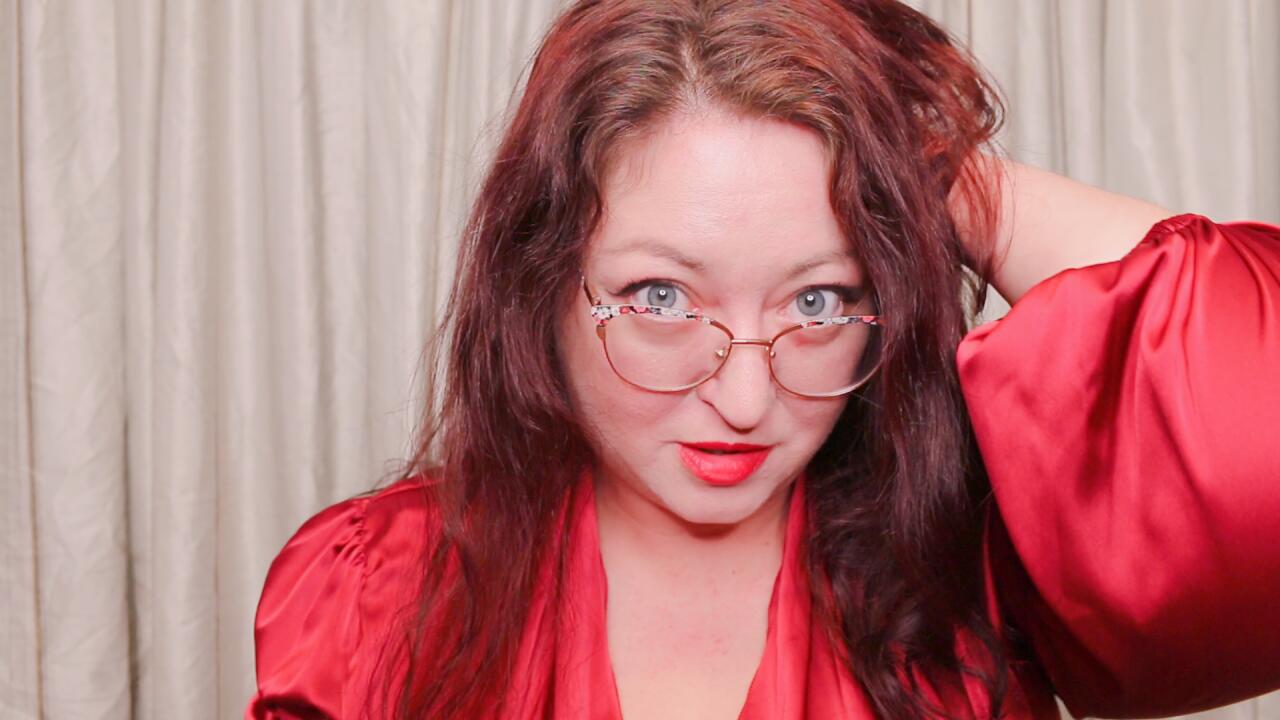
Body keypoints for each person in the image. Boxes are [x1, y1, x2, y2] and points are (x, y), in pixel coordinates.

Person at [245, 1, 1280, 718]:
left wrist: (953, 186)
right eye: (661, 298)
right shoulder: (375, 595)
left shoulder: (967, 585)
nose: (746, 399)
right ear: (541, 284)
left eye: (818, 300)